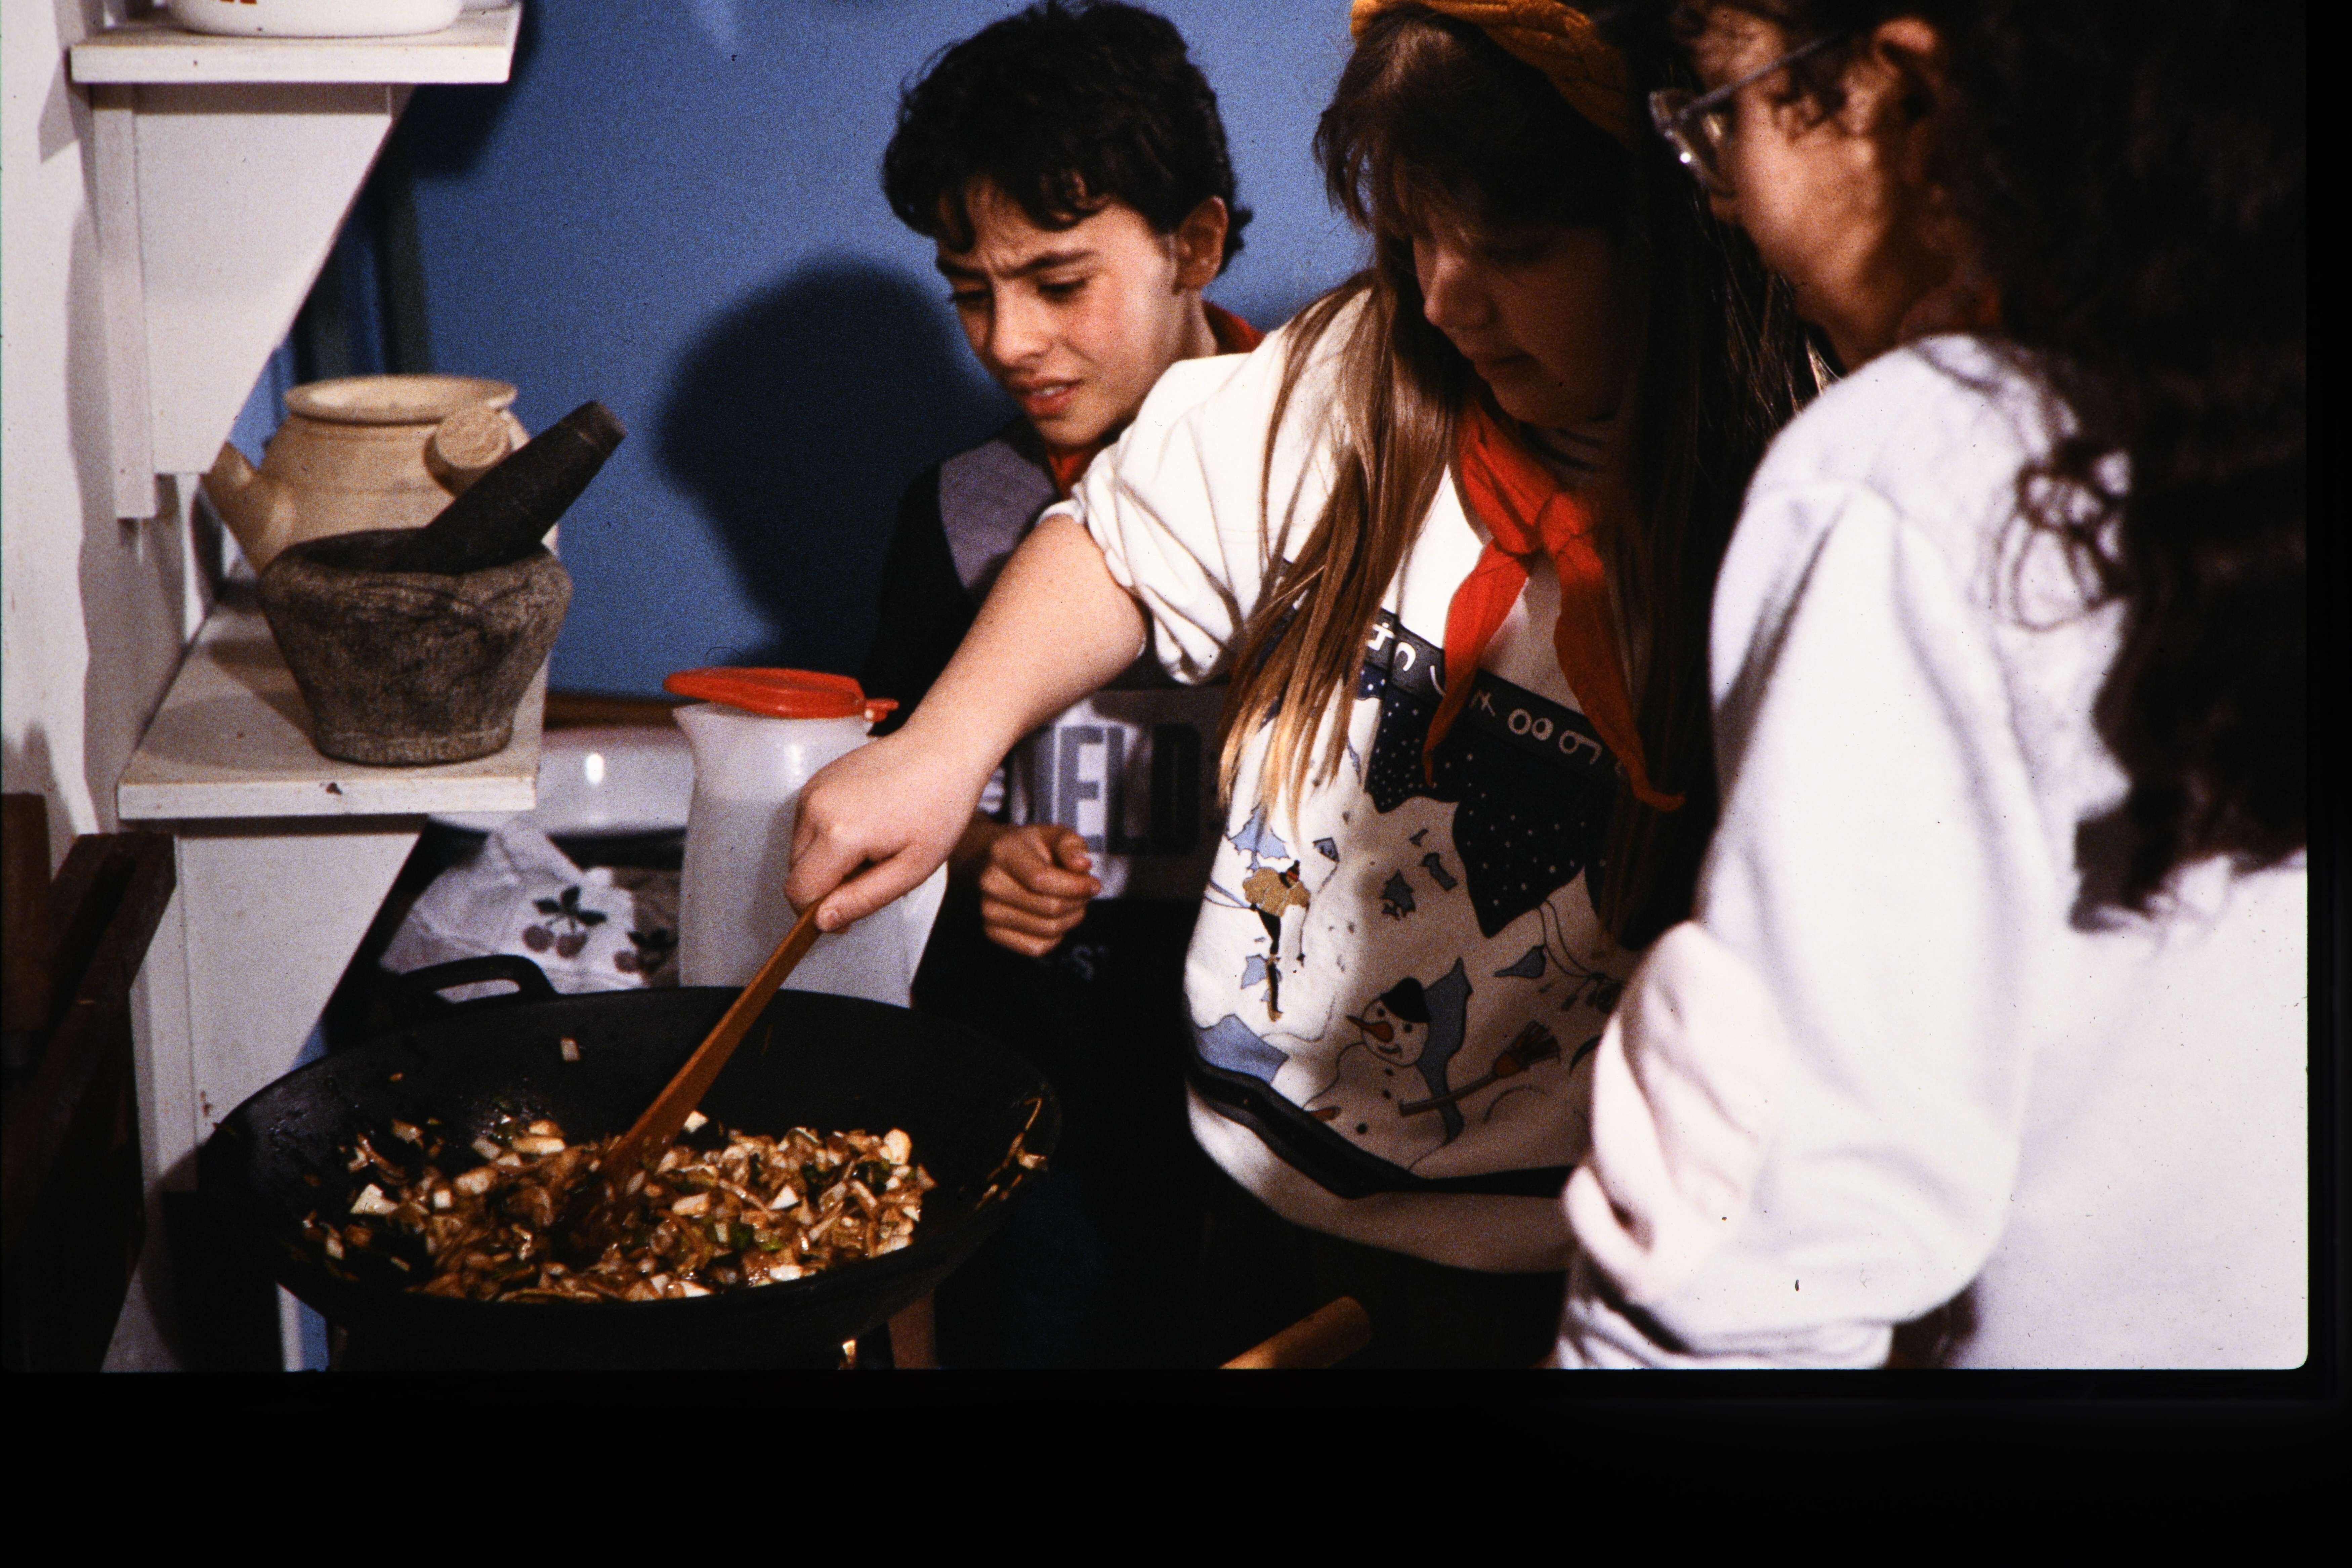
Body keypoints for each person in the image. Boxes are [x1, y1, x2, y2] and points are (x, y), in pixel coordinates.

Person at [799, 0, 1810, 1366]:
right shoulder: (1363, 368)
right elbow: (1122, 533)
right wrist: (941, 749)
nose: (1445, 299)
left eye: (1511, 250)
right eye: (1413, 239)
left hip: (1558, 1246)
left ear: (1674, 229)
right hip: (1262, 1187)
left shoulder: (1795, 483)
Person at [1553, 0, 2307, 1367]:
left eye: (1718, 115)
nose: (1717, 197)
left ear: (1901, 94)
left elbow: (1763, 1268)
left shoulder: (1910, 479)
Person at [858, 0, 1262, 1366]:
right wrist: (986, 857)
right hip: (1047, 1089)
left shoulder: (1335, 469)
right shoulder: (961, 512)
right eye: (971, 292)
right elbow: (903, 770)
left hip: (1277, 1100)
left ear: (1194, 245)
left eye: (1057, 282)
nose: (1009, 341)